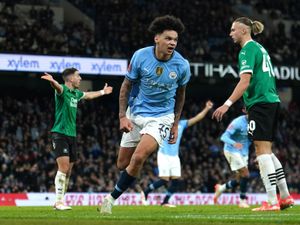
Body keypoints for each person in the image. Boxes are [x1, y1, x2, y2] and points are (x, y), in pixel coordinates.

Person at [100, 15, 191, 214]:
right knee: (123, 163)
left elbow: (181, 95)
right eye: (168, 38)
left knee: (139, 157)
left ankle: (110, 200)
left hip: (162, 117)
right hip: (136, 113)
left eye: (175, 40)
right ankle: (136, 180)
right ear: (156, 38)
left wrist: (175, 123)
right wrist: (122, 116)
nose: (172, 43)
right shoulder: (140, 56)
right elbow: (125, 86)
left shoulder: (182, 65)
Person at [212, 17, 294, 211]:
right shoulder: (260, 48)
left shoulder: (247, 50)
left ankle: (272, 202)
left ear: (243, 31)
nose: (230, 33)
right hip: (270, 102)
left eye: (233, 30)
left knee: (261, 151)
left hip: (261, 103)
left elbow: (245, 81)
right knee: (268, 150)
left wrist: (227, 104)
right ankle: (285, 196)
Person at [41, 68, 113, 210]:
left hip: (72, 136)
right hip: (59, 133)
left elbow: (88, 95)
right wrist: (53, 81)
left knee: (68, 171)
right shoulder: (63, 91)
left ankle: (59, 201)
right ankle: (59, 202)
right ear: (70, 79)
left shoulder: (76, 93)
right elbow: (57, 87)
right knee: (63, 168)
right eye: (78, 76)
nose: (80, 78)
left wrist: (103, 92)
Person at [140, 100, 213, 207]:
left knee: (176, 181)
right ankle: (145, 192)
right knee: (164, 180)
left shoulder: (181, 124)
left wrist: (206, 108)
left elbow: (197, 118)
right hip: (164, 154)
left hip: (174, 156)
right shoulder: (163, 124)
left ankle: (165, 202)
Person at [214, 113, 251, 208]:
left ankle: (221, 188)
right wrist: (234, 143)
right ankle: (242, 201)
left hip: (244, 152)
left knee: (240, 179)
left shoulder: (255, 122)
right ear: (244, 111)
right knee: (246, 174)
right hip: (232, 150)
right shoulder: (237, 122)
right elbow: (224, 137)